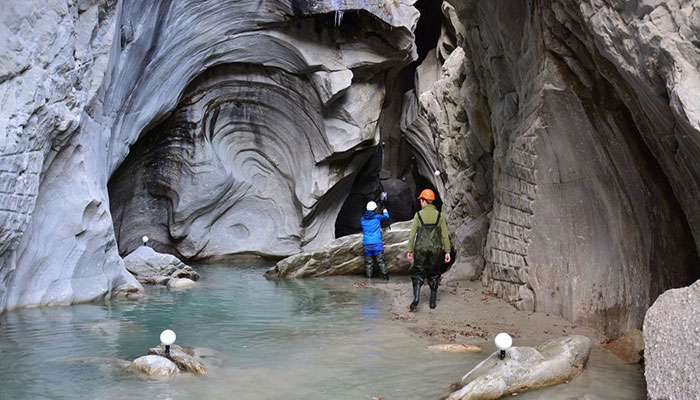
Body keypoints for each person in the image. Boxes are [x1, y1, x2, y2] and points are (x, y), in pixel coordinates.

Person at [406, 189, 451, 311]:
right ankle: (432, 302)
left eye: (421, 200)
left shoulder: (418, 215)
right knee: (434, 273)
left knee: (418, 273)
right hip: (436, 249)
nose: (420, 203)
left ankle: (416, 299)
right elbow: (445, 235)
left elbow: (412, 235)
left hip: (420, 248)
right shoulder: (440, 216)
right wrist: (447, 251)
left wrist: (410, 250)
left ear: (424, 200)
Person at [361, 201, 390, 280]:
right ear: (374, 209)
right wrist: (385, 211)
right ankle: (385, 279)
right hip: (376, 243)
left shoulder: (362, 219)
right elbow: (386, 217)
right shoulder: (377, 217)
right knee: (381, 262)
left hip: (366, 244)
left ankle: (368, 279)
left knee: (369, 263)